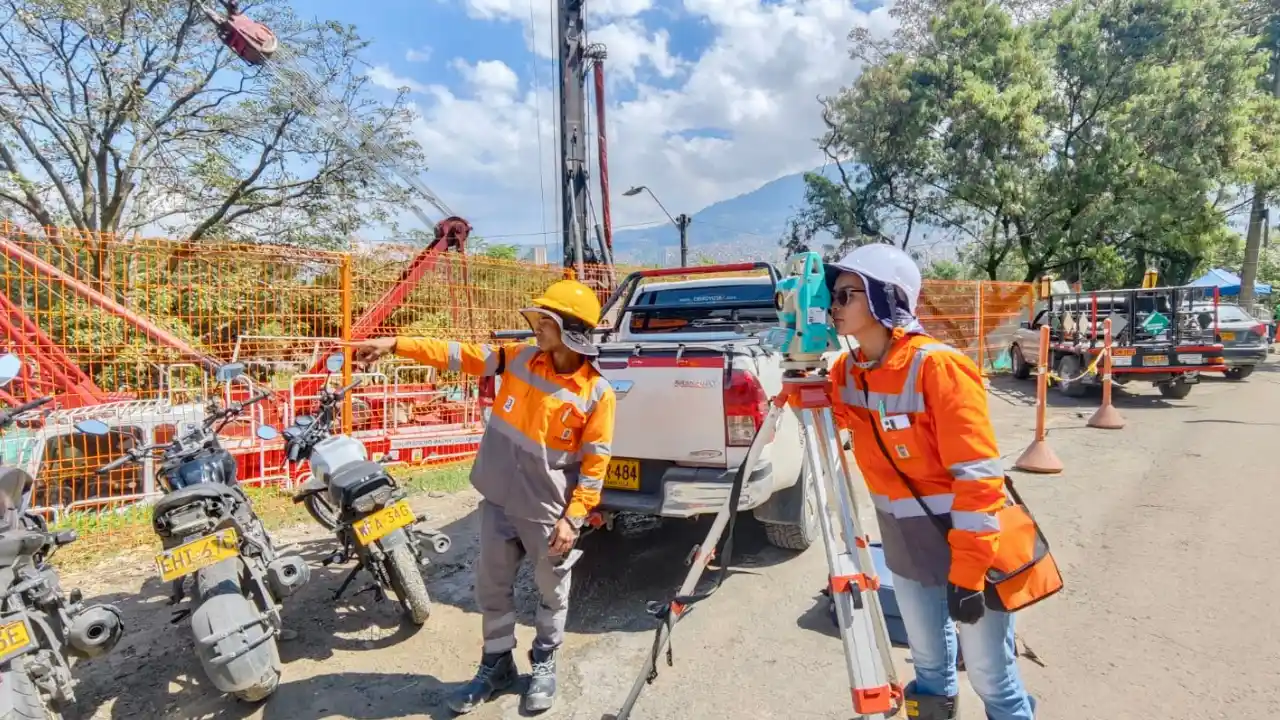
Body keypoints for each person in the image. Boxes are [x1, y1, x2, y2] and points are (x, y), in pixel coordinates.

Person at [352, 279, 616, 715]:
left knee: (552, 593)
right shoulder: (519, 358)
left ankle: (544, 663)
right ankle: (496, 667)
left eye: (546, 321)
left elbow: (596, 462)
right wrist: (395, 343)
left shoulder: (597, 393)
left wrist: (574, 517)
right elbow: (458, 354)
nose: (537, 328)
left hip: (547, 512)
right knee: (492, 589)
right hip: (498, 502)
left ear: (571, 329)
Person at [824, 244, 1037, 720]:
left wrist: (968, 572)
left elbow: (979, 475)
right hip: (906, 545)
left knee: (990, 675)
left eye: (844, 295)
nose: (833, 306)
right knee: (928, 667)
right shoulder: (846, 371)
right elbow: (833, 422)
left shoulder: (938, 366)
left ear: (884, 297)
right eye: (832, 296)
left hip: (969, 545)